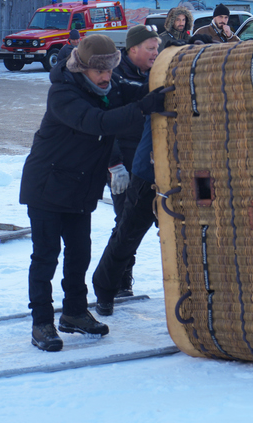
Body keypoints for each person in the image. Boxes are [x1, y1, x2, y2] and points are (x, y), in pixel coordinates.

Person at [19, 34, 168, 352]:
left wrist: (163, 90)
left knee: (79, 254)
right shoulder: (63, 93)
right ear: (83, 68)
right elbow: (97, 122)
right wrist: (143, 108)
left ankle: (74, 312)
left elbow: (136, 92)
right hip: (46, 185)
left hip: (79, 185)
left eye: (109, 70)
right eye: (99, 71)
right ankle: (42, 322)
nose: (106, 77)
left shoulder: (109, 86)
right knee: (46, 257)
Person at [92, 26, 159, 309]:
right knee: (126, 220)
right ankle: (119, 279)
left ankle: (118, 278)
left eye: (157, 48)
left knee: (138, 219)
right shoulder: (116, 78)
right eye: (150, 48)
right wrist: (115, 164)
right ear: (132, 50)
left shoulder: (154, 76)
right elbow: (107, 125)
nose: (156, 53)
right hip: (124, 161)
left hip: (150, 159)